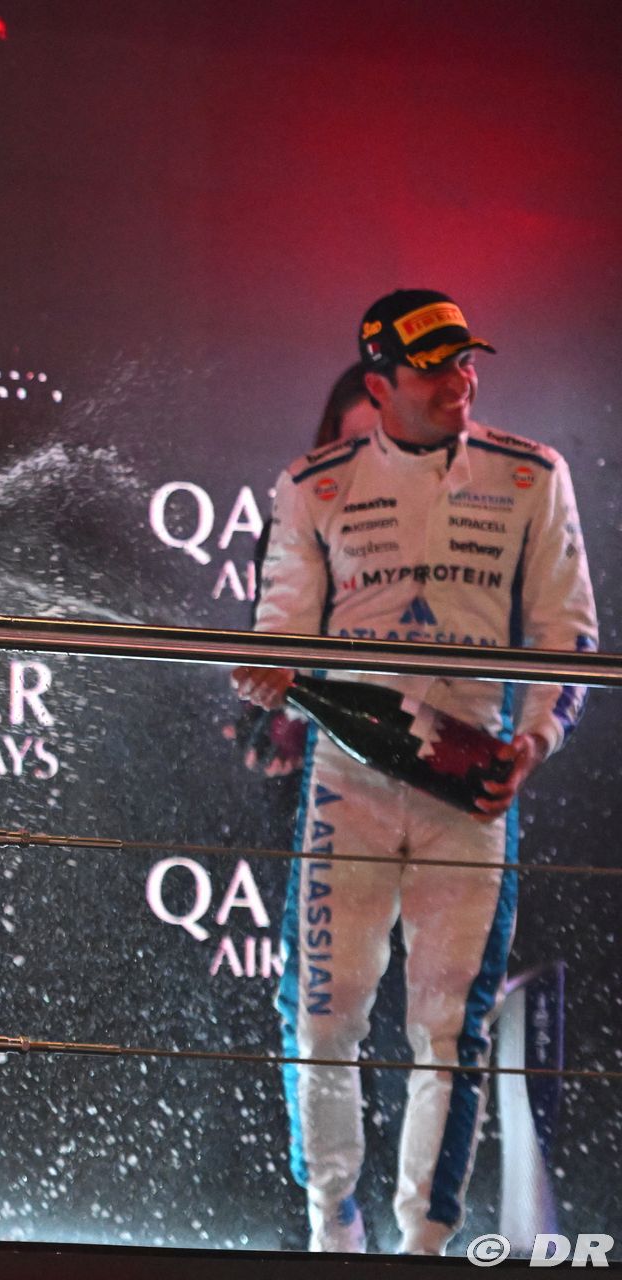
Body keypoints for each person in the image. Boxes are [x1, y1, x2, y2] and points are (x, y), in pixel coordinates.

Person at [232, 291, 598, 1254]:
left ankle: (425, 1247)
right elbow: (282, 634)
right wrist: (271, 672)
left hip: (472, 788)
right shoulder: (312, 484)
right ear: (380, 381)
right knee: (322, 1019)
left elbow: (568, 636)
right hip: (344, 786)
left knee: (449, 1030)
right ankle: (332, 1230)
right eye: (433, 368)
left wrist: (533, 745)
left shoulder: (532, 476)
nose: (458, 381)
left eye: (465, 361)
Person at [235, 364, 381, 777]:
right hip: (313, 756)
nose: (369, 465)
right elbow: (272, 652)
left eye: (383, 447)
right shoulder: (291, 527)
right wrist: (281, 725)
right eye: (354, 446)